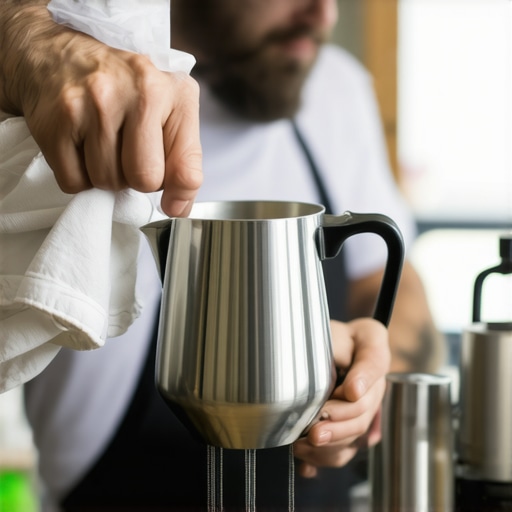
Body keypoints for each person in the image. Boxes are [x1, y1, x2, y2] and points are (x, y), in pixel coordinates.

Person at [0, 0, 444, 510]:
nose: (323, 15)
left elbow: (386, 279)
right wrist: (31, 43)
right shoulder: (69, 84)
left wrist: (370, 381)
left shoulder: (333, 88)